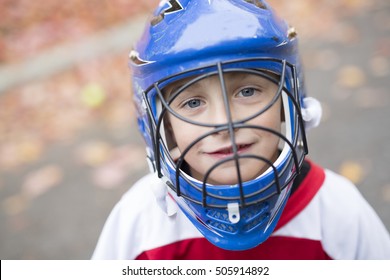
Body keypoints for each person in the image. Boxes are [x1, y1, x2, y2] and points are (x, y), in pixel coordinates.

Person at [92, 0, 390, 259]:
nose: (225, 123)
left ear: (290, 98)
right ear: (162, 126)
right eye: (193, 102)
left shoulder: (337, 212)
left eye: (247, 92)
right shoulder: (139, 222)